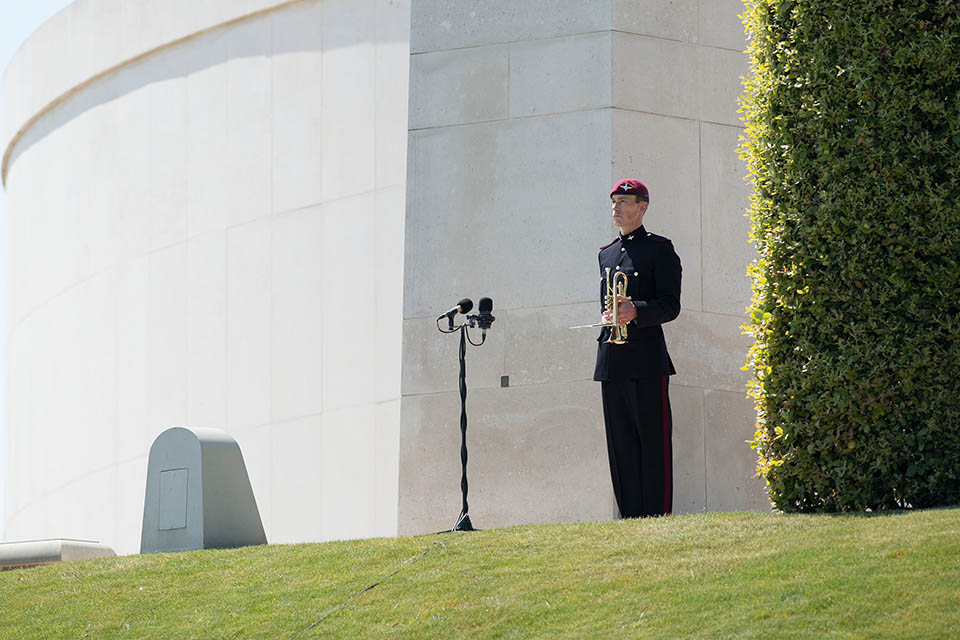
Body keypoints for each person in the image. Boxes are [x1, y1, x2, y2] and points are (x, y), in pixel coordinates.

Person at [594, 179, 682, 518]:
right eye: (614, 201)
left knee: (653, 443)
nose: (616, 207)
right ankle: (630, 517)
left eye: (624, 201)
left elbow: (671, 305)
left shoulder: (660, 249)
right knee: (621, 446)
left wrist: (637, 310)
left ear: (642, 207)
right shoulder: (606, 253)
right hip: (612, 359)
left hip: (646, 360)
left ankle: (657, 516)